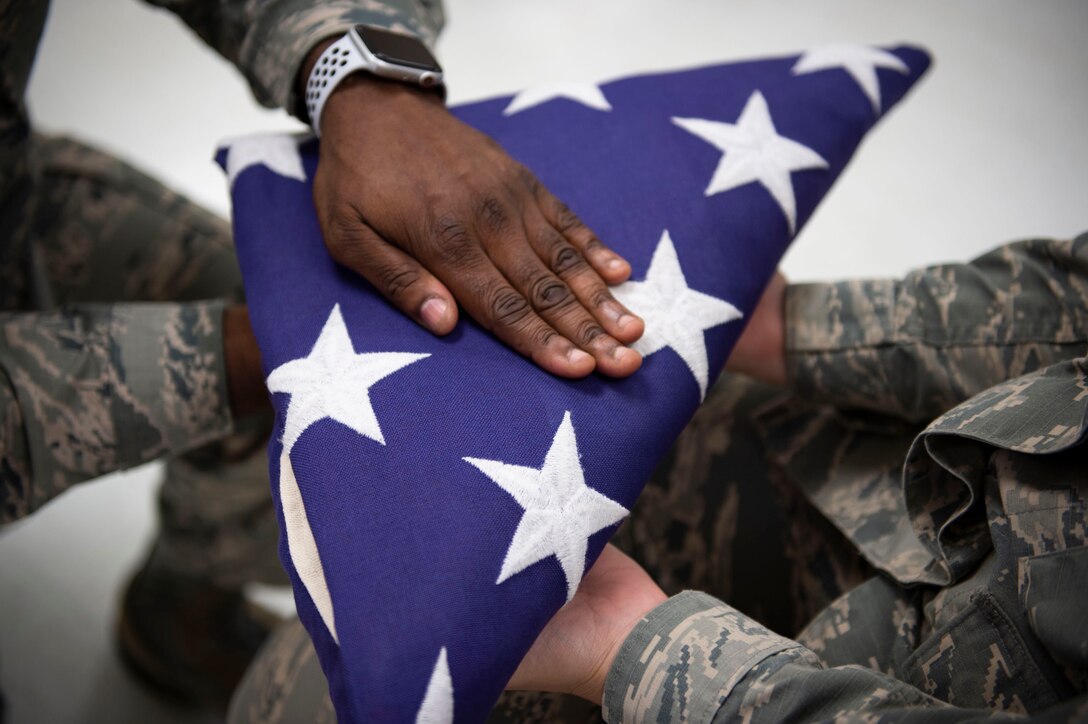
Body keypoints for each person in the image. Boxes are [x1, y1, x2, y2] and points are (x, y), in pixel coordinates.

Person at [0, 0, 642, 712]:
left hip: (12, 204)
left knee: (272, 330)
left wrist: (357, 75)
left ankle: (180, 604)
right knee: (303, 384)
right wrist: (272, 350)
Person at [229, 233, 1088, 722]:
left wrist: (638, 659)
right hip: (874, 457)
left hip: (845, 690)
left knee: (302, 700)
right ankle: (181, 605)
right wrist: (802, 328)